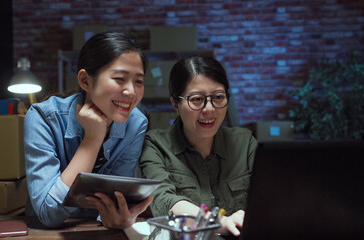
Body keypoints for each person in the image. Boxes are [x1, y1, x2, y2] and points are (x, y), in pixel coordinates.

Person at [24, 31, 152, 228]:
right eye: (119, 78)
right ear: (85, 81)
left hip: (99, 230)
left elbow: (118, 196)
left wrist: (117, 217)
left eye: (139, 81)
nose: (131, 92)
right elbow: (48, 212)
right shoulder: (43, 117)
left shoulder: (136, 123)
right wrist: (92, 139)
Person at [139, 55, 257, 236]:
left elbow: (270, 195)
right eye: (196, 99)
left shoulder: (245, 142)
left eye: (218, 97)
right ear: (175, 104)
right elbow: (163, 200)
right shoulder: (156, 145)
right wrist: (218, 222)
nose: (209, 109)